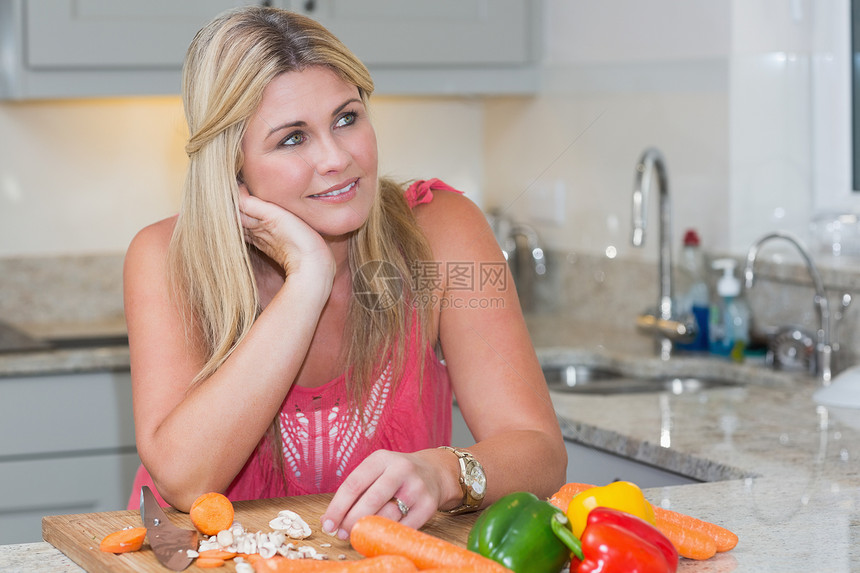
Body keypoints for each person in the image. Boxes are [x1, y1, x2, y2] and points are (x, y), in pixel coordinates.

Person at [123, 5, 566, 538]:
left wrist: (444, 472)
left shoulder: (445, 233)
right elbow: (186, 480)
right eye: (292, 138)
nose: (336, 157)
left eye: (346, 118)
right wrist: (307, 279)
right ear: (232, 166)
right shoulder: (165, 257)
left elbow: (539, 450)